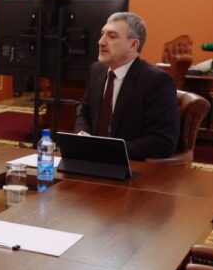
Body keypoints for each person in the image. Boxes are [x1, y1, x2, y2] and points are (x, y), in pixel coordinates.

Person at [74, 12, 179, 160]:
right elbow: (85, 112)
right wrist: (81, 135)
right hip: (92, 160)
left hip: (129, 164)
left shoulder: (157, 81)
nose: (101, 42)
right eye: (102, 35)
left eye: (112, 36)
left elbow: (162, 142)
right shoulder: (96, 70)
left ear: (133, 44)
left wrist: (108, 150)